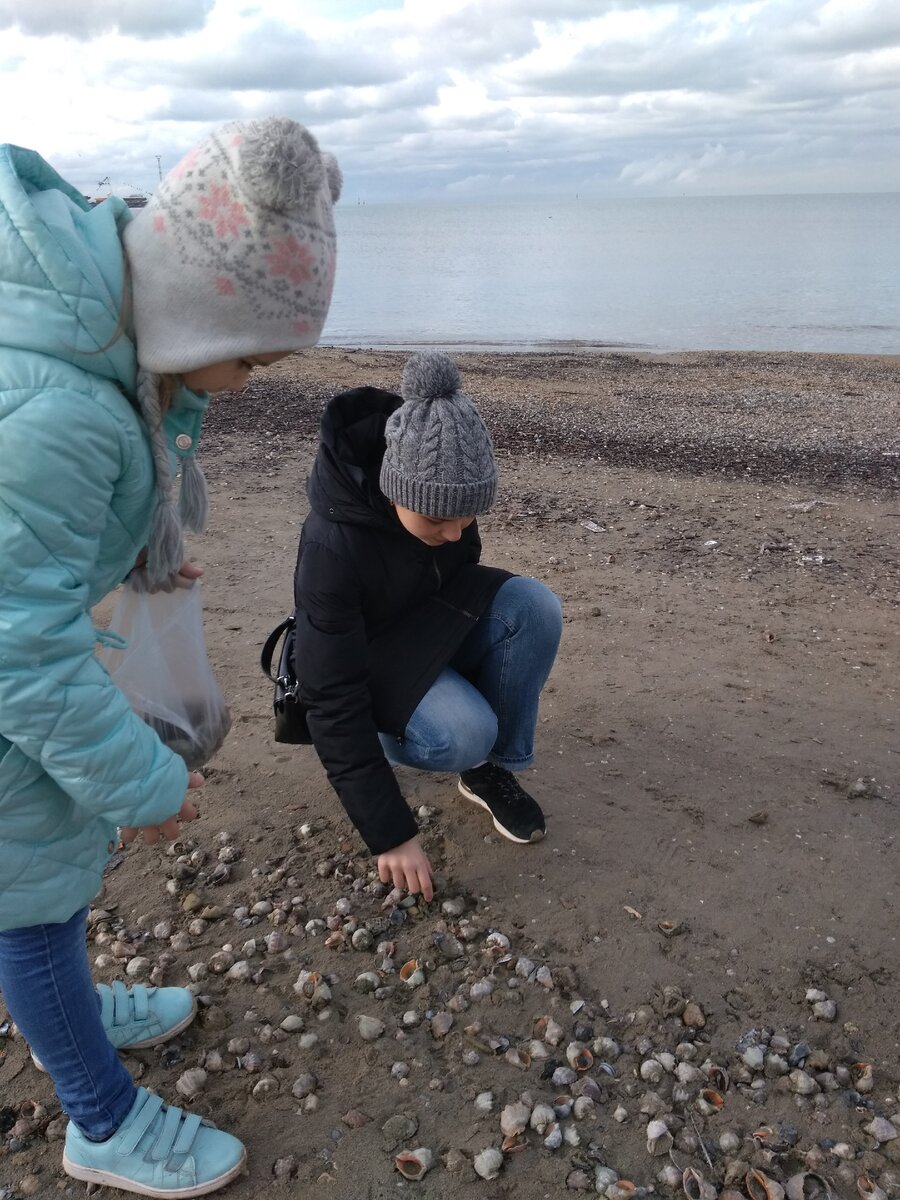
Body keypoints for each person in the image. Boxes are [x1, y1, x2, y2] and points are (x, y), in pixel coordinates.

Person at [0, 117, 340, 1197]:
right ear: (193, 320)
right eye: (251, 358)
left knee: (38, 881)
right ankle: (99, 1122)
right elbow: (20, 647)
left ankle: (68, 1004)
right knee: (30, 893)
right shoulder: (62, 412)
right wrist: (145, 782)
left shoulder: (104, 356)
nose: (247, 382)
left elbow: (43, 548)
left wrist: (144, 563)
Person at [292, 350, 563, 902]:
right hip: (367, 664)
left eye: (467, 516)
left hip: (429, 629)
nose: (456, 532)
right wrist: (390, 834)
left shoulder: (447, 501)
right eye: (438, 520)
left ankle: (489, 771)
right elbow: (329, 695)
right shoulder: (331, 547)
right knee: (463, 732)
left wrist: (449, 535)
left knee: (534, 606)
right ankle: (413, 738)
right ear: (396, 490)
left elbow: (461, 575)